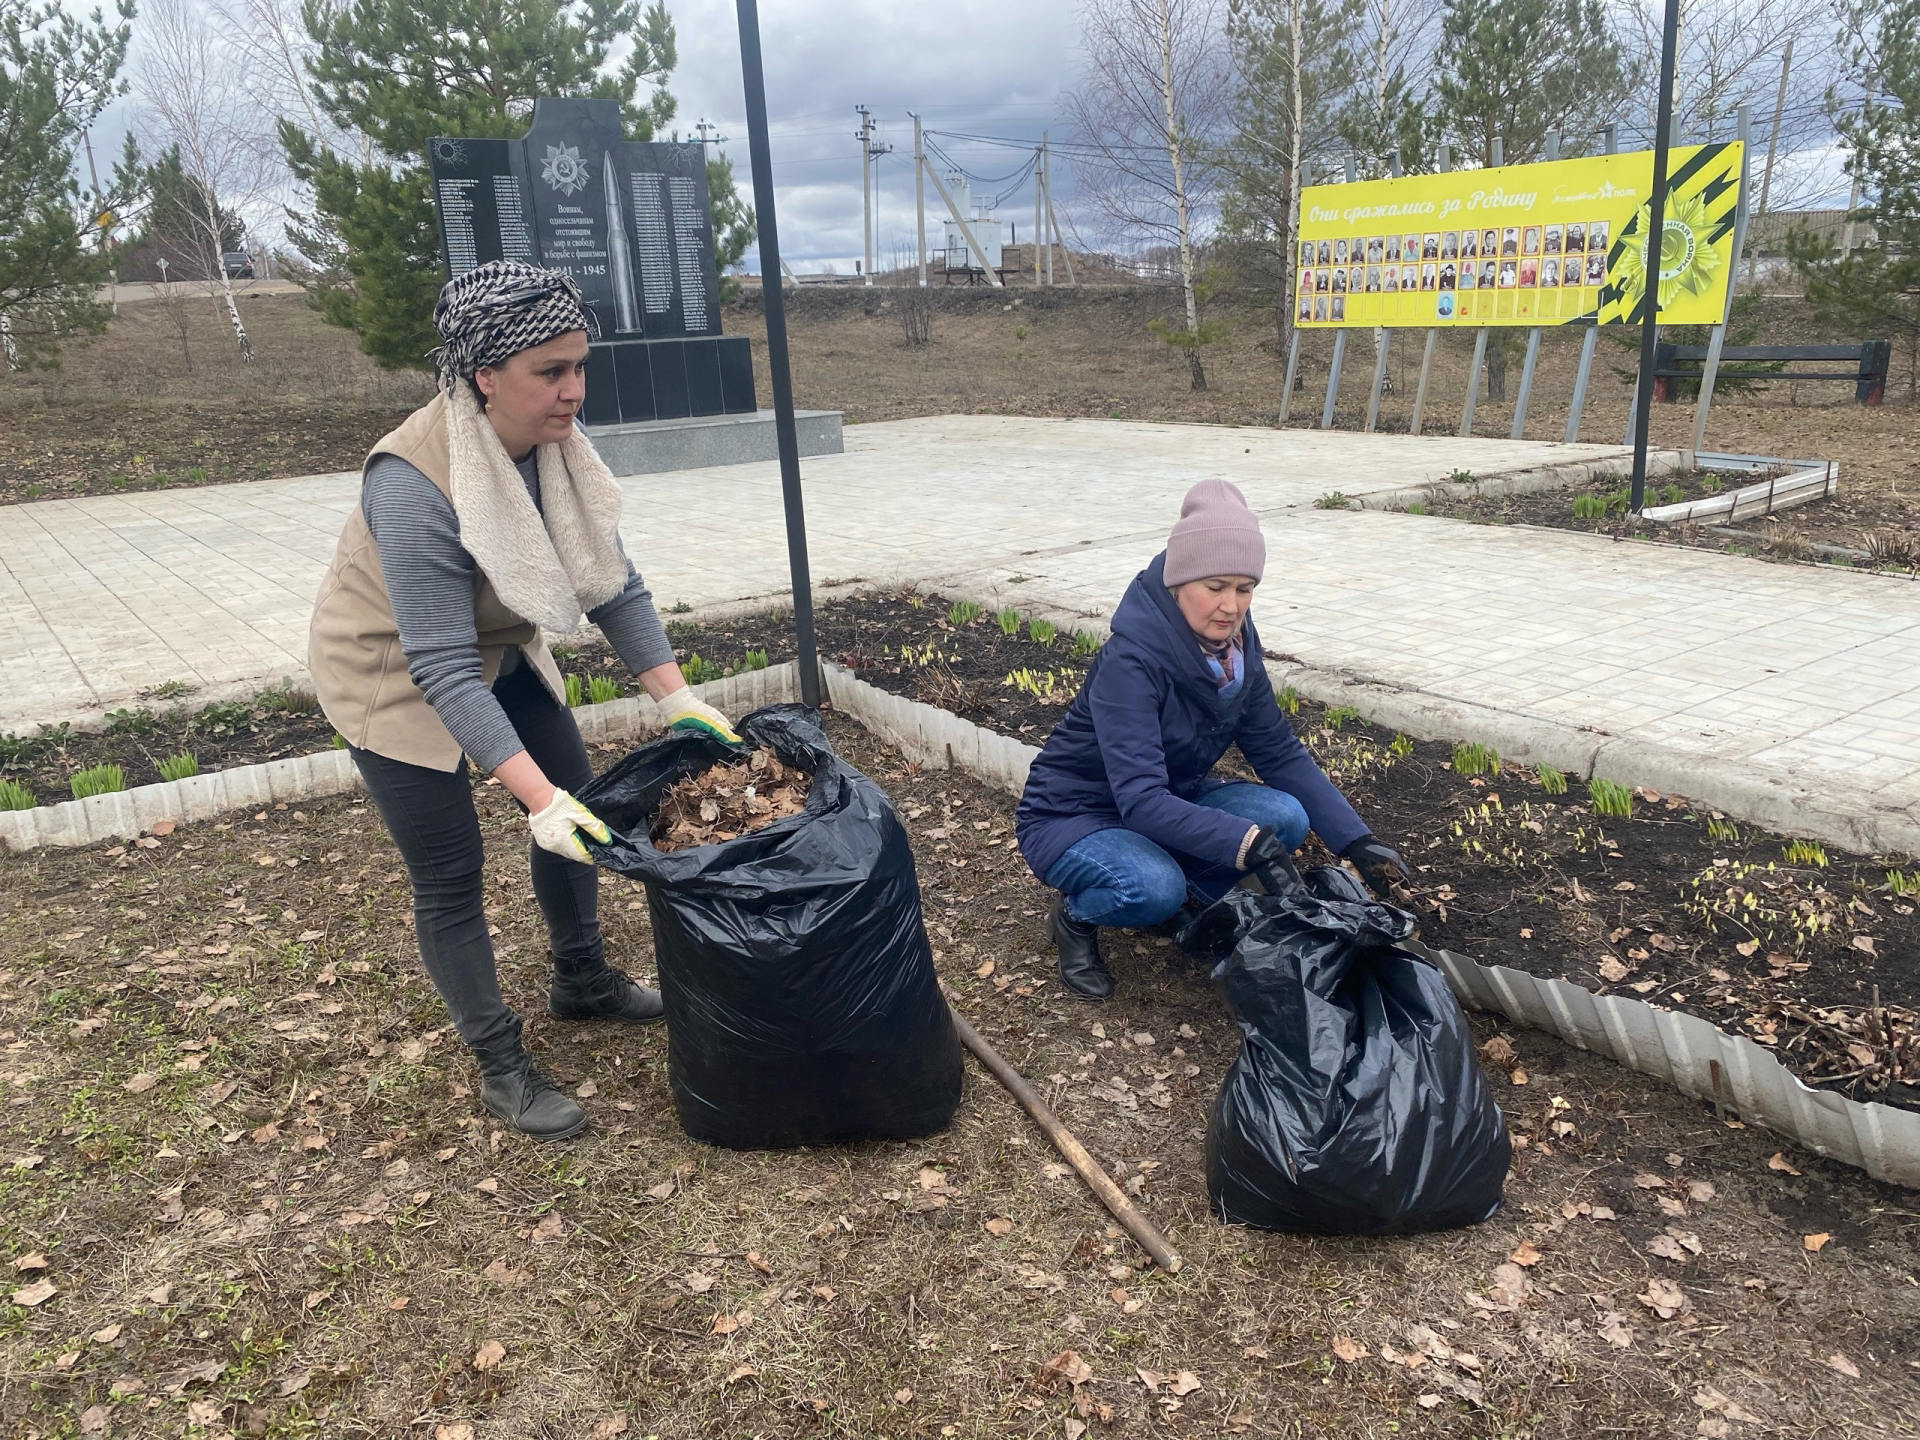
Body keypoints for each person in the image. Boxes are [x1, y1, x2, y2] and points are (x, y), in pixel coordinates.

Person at [307, 260, 741, 1141]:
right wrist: (533, 800)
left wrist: (679, 698)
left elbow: (613, 585)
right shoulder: (413, 479)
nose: (573, 391)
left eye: (580, 366)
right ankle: (499, 1061)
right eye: (551, 372)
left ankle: (581, 980)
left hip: (495, 651)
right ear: (483, 375)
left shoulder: (557, 452)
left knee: (583, 807)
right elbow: (440, 666)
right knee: (450, 872)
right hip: (391, 668)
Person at [1015, 481, 1410, 999]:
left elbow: (1278, 751)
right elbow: (1139, 799)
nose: (1231, 606)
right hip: (1074, 815)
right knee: (1152, 888)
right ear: (1180, 581)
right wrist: (1242, 845)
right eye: (1216, 586)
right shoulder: (1130, 662)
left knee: (1287, 816)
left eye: (1245, 588)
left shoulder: (1236, 653)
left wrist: (1356, 840)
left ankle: (1183, 885)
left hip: (1166, 801)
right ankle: (1076, 914)